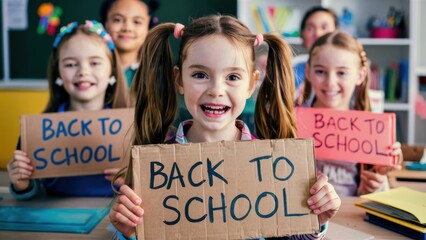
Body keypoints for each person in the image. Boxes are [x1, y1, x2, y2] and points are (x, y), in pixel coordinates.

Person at [109, 15, 341, 240]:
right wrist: (129, 234)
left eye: (232, 77)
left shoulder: (272, 165)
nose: (216, 90)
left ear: (251, 84)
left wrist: (316, 221)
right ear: (179, 80)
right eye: (200, 74)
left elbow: (290, 237)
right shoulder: (155, 170)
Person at [6, 20, 130, 200]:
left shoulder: (132, 128)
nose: (83, 72)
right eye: (71, 64)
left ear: (112, 70)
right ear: (58, 72)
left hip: (113, 219)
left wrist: (134, 181)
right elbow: (30, 193)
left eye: (94, 63)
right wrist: (22, 184)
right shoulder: (36, 132)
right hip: (53, 221)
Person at [297, 31, 403, 196]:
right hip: (304, 215)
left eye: (341, 73)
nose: (330, 82)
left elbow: (374, 196)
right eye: (320, 71)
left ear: (360, 75)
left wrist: (375, 183)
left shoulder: (372, 130)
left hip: (350, 214)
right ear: (308, 71)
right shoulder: (293, 121)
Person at [100, 0, 160, 87]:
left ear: (149, 27)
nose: (127, 28)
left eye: (137, 22)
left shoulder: (160, 76)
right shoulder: (92, 70)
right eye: (117, 20)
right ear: (105, 24)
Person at [293, 6, 339, 98]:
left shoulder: (349, 68)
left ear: (336, 33)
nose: (318, 33)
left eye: (324, 27)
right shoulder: (292, 68)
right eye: (310, 28)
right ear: (302, 35)